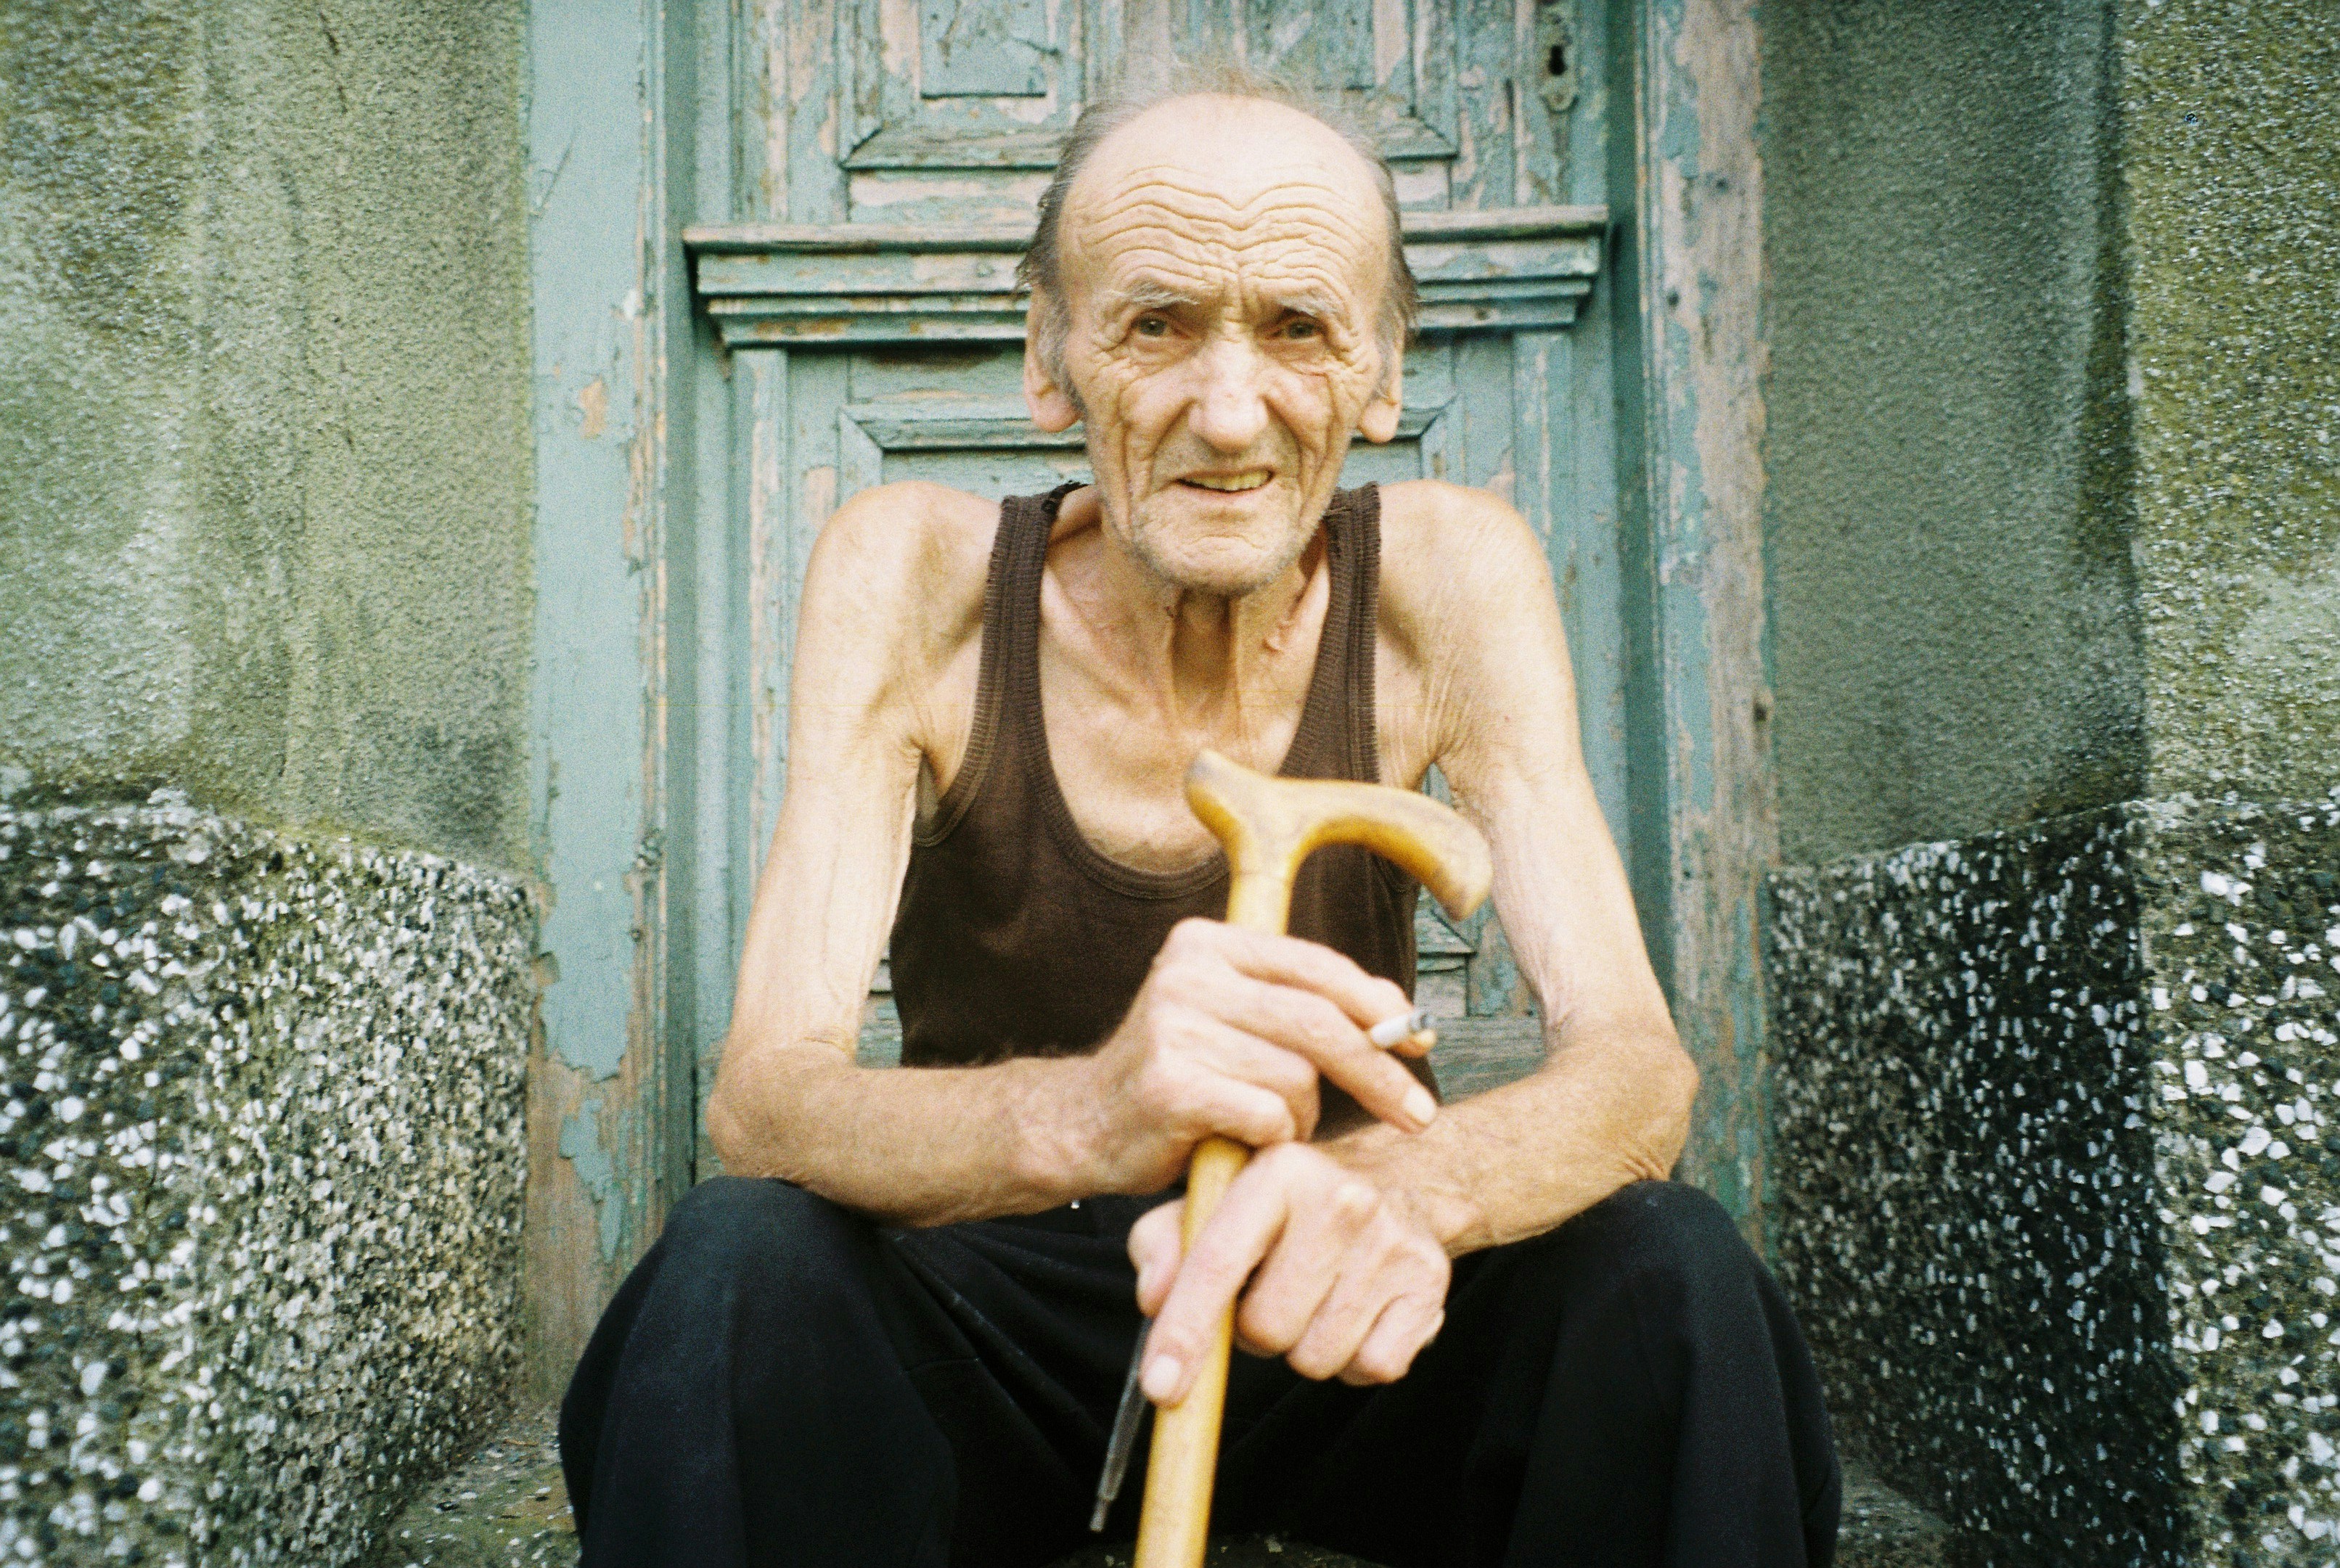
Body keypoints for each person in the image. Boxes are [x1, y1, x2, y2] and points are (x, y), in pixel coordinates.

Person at [560, 66, 1840, 1568]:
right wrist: (1090, 1110)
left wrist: (1399, 1196)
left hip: (1332, 1307)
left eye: (1297, 329)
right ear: (1050, 361)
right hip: (1000, 1322)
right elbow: (765, 1101)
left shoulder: (1449, 583)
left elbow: (1636, 1074)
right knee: (732, 1265)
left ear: (1378, 375)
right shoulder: (915, 583)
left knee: (1669, 1276)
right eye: (1155, 324)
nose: (1228, 413)